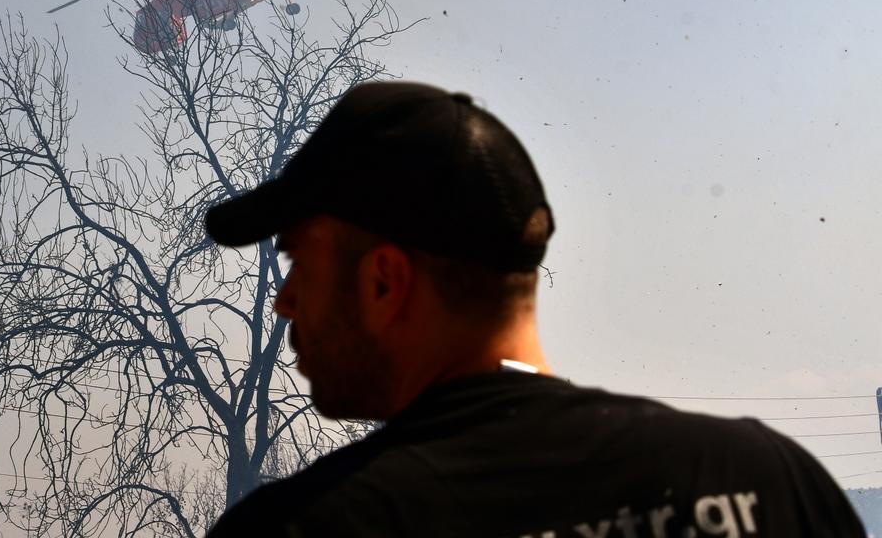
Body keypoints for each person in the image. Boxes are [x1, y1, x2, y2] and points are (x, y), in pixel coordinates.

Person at [203, 81, 864, 537]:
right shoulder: (766, 481)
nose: (285, 302)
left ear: (384, 283)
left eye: (297, 263)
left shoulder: (304, 528)